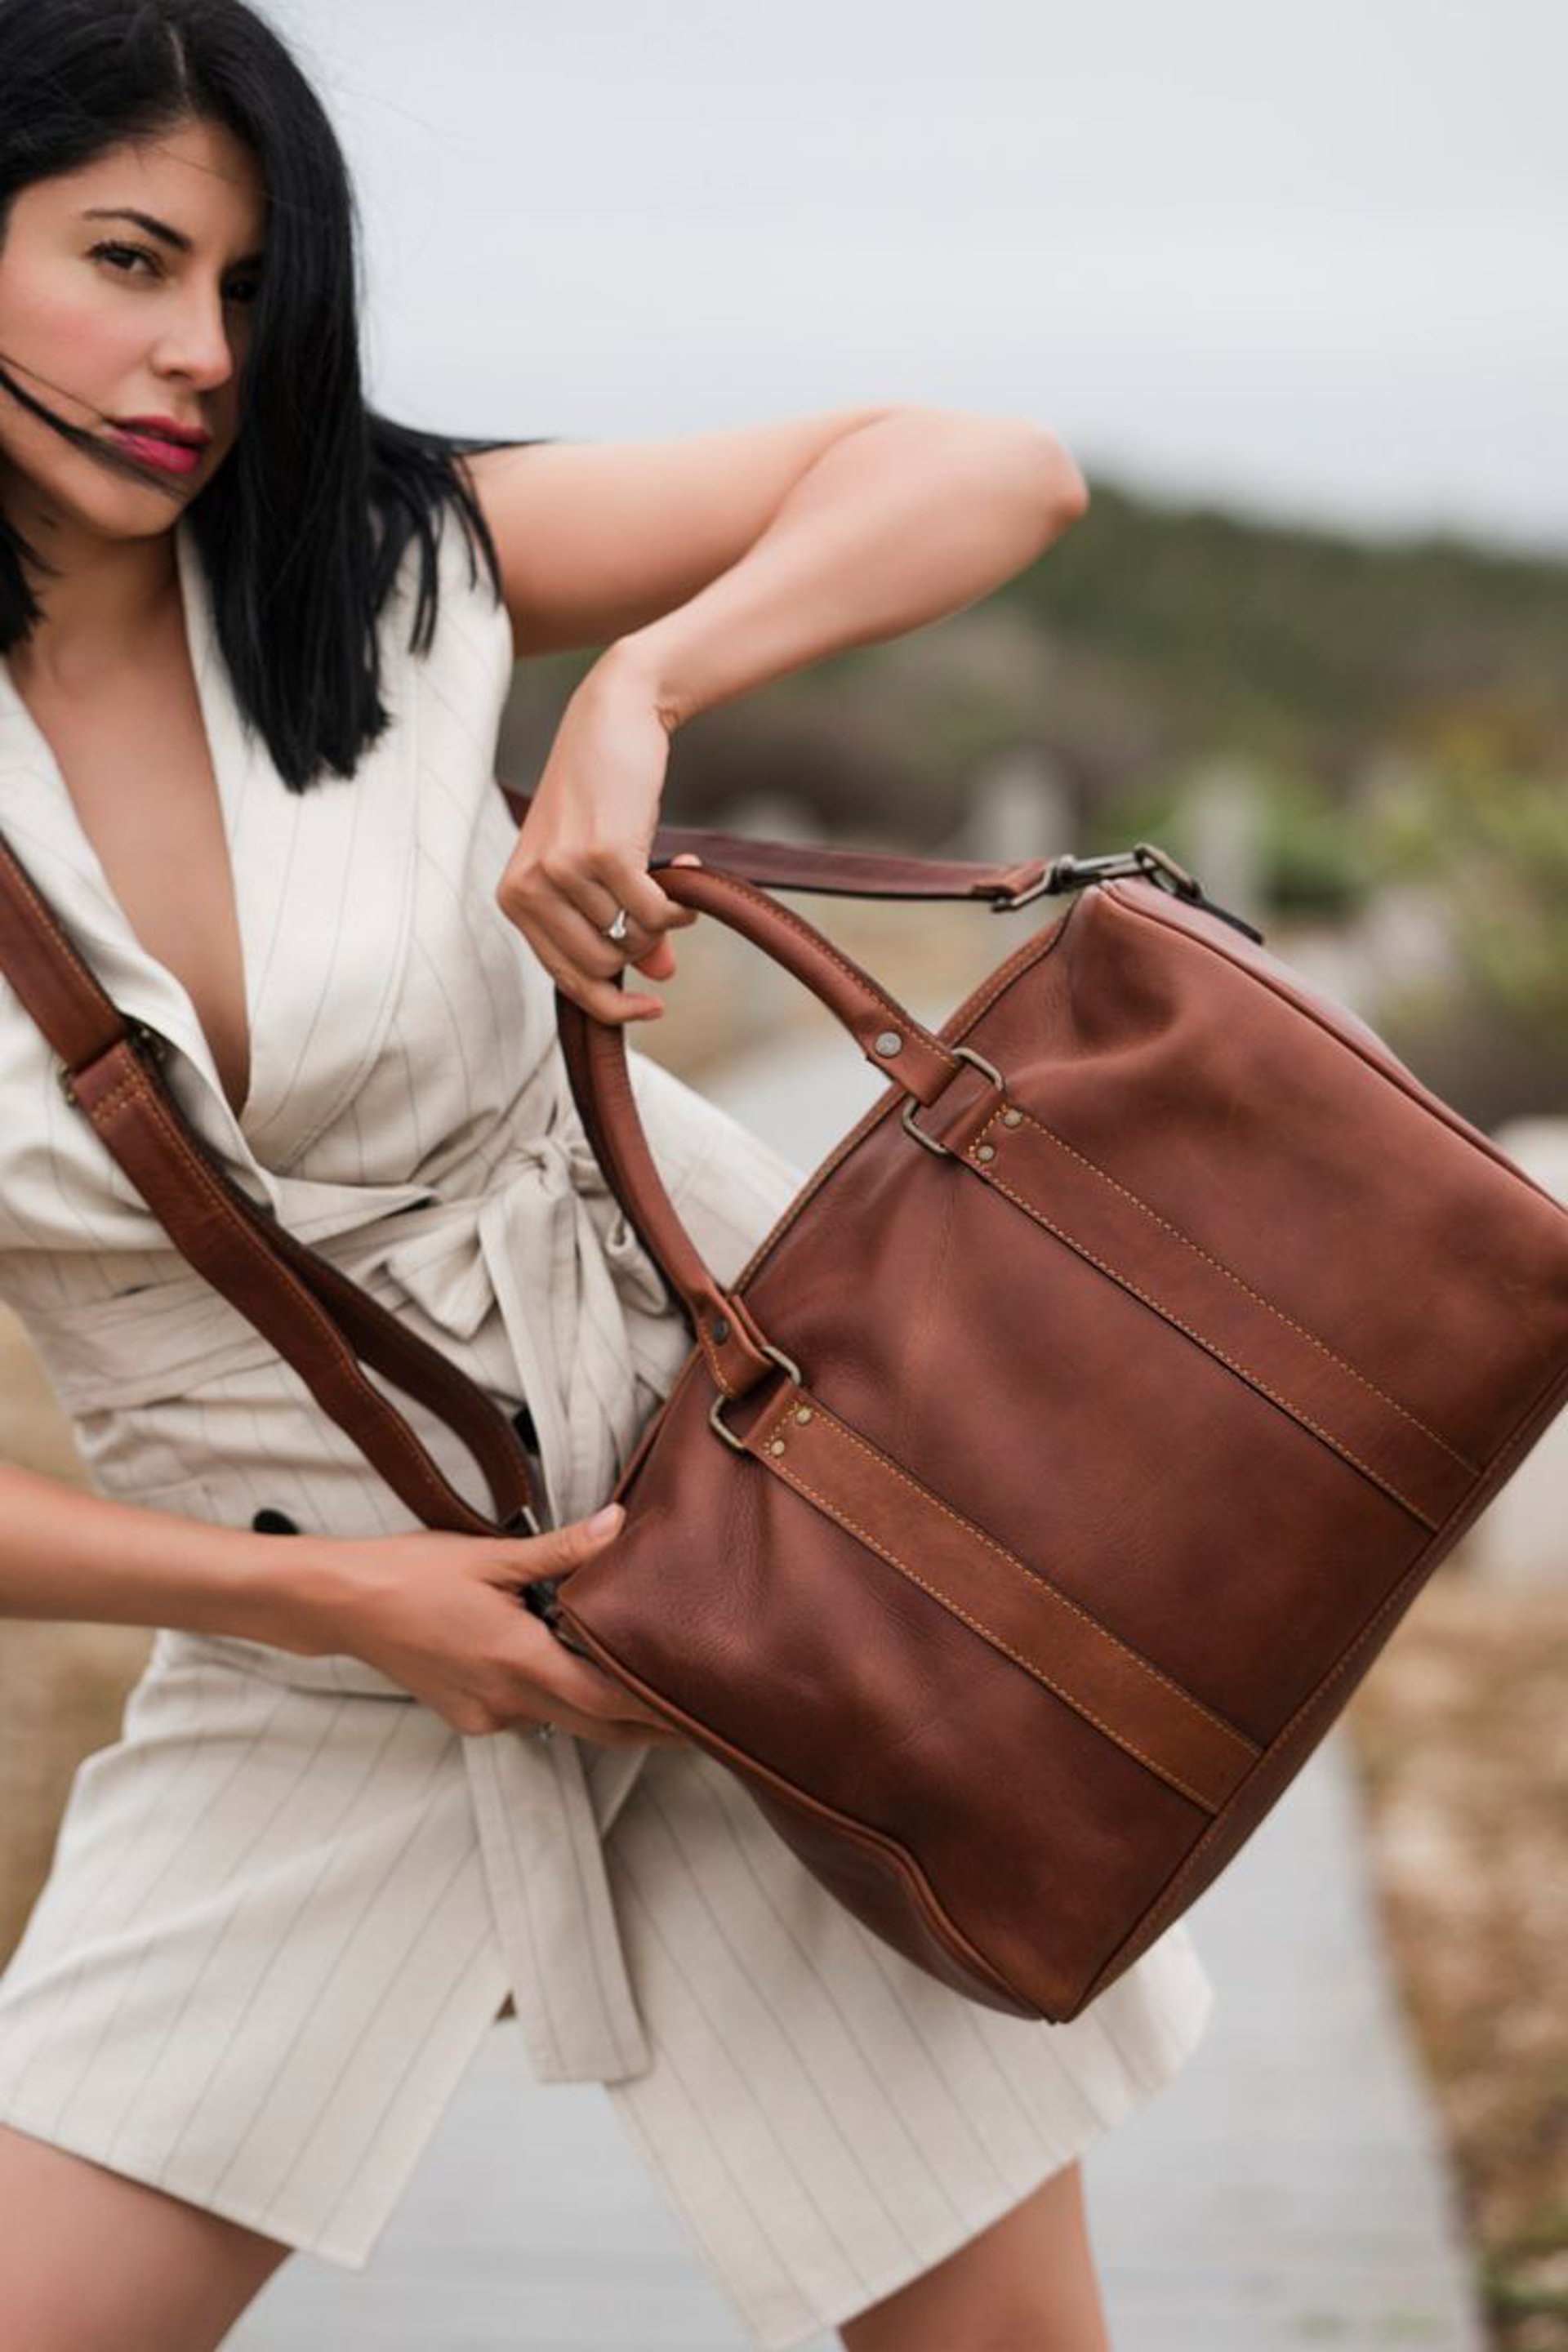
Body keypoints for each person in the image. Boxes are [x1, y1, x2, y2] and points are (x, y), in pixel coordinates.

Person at [0, 3, 1218, 2346]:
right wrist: (346, 1613)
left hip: (761, 1551)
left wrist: (643, 689)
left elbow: (989, 467)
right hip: (308, 1643)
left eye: (251, 288)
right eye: (126, 260)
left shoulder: (392, 565)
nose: (201, 356)